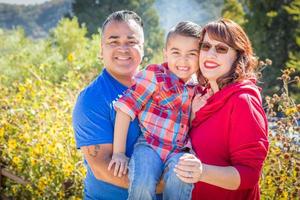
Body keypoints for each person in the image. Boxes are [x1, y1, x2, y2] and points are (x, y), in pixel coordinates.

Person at [174, 18, 269, 200]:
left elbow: (249, 174)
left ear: (238, 56)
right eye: (206, 46)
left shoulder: (242, 101)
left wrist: (202, 172)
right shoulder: (198, 96)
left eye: (221, 48)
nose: (210, 54)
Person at [108, 21, 204, 200]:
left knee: (182, 177)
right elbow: (125, 109)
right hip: (150, 145)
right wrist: (119, 153)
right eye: (176, 53)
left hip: (178, 149)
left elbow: (189, 125)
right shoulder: (155, 75)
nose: (183, 61)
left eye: (192, 54)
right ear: (165, 53)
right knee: (142, 183)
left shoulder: (197, 87)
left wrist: (196, 111)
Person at [72, 10, 162, 200]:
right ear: (101, 49)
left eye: (131, 42)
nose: (123, 49)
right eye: (114, 42)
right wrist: (173, 183)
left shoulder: (159, 88)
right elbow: (102, 169)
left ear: (143, 48)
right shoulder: (92, 99)